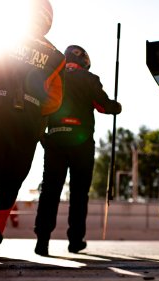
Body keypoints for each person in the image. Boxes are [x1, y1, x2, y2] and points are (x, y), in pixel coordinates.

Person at [0, 0, 65, 259]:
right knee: (11, 182)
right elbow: (54, 101)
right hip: (29, 123)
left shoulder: (3, 39)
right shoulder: (56, 57)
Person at [33, 45, 122, 256]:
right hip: (81, 143)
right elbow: (103, 106)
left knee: (50, 190)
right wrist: (116, 106)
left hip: (55, 138)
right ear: (85, 62)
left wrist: (42, 136)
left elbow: (39, 105)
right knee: (79, 193)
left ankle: (42, 241)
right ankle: (75, 241)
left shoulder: (53, 76)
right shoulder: (89, 78)